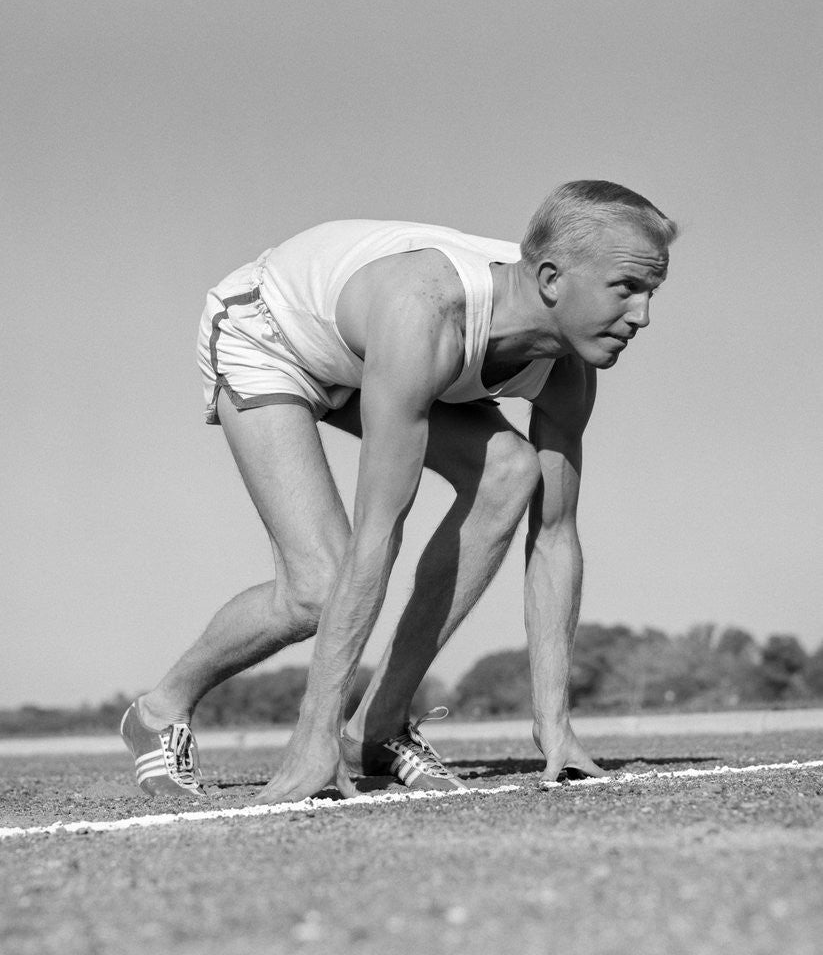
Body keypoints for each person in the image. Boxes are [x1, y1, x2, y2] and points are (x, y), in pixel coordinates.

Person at [121, 180, 677, 803]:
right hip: (268, 334)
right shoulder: (429, 312)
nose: (643, 315)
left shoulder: (565, 366)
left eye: (652, 292)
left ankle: (377, 729)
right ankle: (158, 711)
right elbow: (379, 531)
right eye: (626, 289)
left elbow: (554, 536)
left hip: (372, 357)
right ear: (551, 280)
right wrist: (314, 737)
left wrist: (555, 728)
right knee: (318, 586)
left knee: (511, 470)